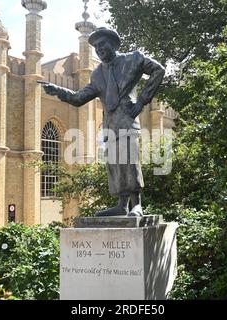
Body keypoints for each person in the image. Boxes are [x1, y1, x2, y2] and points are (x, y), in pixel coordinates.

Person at [39, 27, 165, 217]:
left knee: (130, 161)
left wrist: (141, 101)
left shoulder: (132, 59)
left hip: (128, 120)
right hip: (110, 126)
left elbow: (158, 70)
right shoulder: (97, 74)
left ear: (113, 43)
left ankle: (136, 204)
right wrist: (58, 91)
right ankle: (122, 205)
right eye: (96, 46)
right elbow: (80, 98)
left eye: (102, 44)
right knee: (114, 165)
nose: (99, 49)